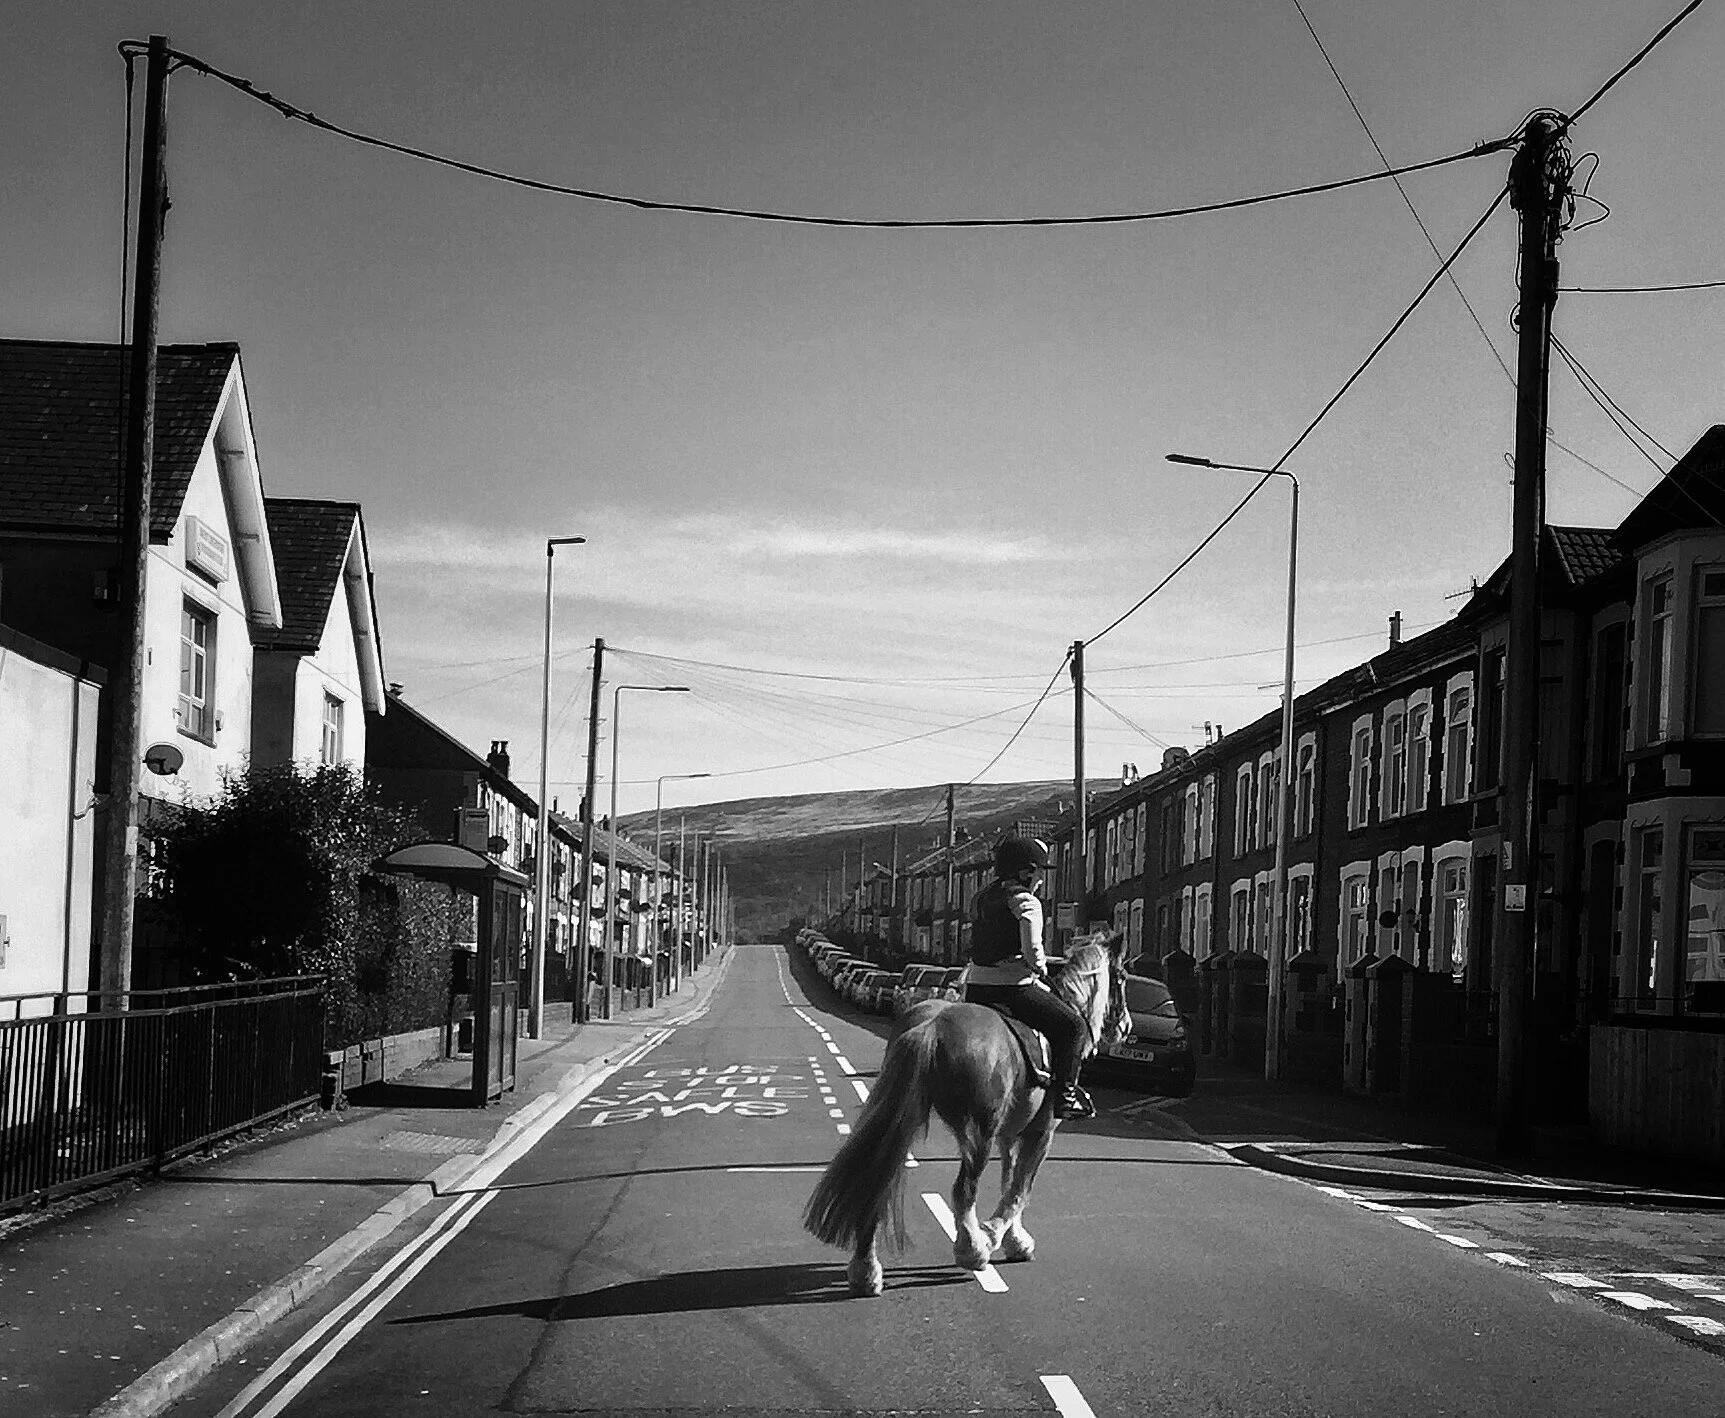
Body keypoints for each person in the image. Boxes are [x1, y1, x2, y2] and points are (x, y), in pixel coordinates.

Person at [961, 835, 1095, 1120]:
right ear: (1026, 872)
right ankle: (1066, 1096)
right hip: (1013, 989)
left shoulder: (981, 897)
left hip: (974, 987)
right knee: (1074, 1026)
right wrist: (1043, 969)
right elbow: (1033, 954)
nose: (1041, 881)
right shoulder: (1026, 902)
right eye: (1039, 873)